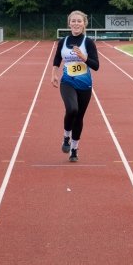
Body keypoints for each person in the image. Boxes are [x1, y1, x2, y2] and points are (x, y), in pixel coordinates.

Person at [51, 11, 100, 162]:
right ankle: (66, 136)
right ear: (69, 23)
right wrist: (54, 74)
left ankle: (74, 149)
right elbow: (57, 58)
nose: (76, 23)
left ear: (84, 24)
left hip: (85, 85)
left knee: (79, 117)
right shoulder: (63, 41)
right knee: (72, 109)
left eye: (79, 21)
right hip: (67, 82)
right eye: (73, 21)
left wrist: (83, 57)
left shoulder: (88, 42)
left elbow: (96, 66)